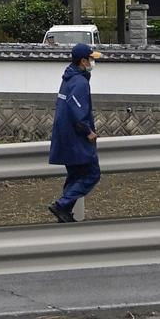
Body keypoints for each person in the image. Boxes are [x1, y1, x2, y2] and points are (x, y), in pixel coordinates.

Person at [48, 42, 102, 223]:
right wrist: (88, 131)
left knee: (75, 175)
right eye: (91, 59)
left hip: (64, 135)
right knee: (92, 174)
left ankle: (64, 213)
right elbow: (77, 111)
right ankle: (62, 205)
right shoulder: (80, 82)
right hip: (76, 138)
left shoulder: (68, 77)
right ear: (83, 61)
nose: (92, 62)